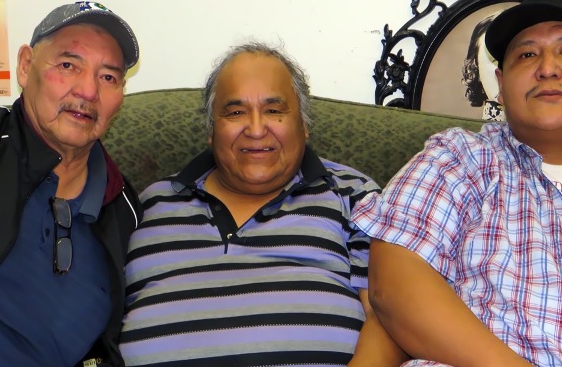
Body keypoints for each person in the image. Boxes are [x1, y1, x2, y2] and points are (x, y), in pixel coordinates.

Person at [352, 0, 562, 367]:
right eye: (526, 55)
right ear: (500, 82)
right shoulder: (457, 158)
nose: (547, 69)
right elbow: (394, 285)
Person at [119, 42, 406, 366]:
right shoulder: (147, 204)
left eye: (274, 110)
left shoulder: (353, 197)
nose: (256, 130)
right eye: (235, 112)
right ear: (211, 130)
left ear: (304, 124)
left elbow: (390, 319)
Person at [0, 1, 142, 367]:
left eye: (108, 77)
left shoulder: (125, 214)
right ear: (25, 66)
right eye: (68, 65)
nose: (88, 91)